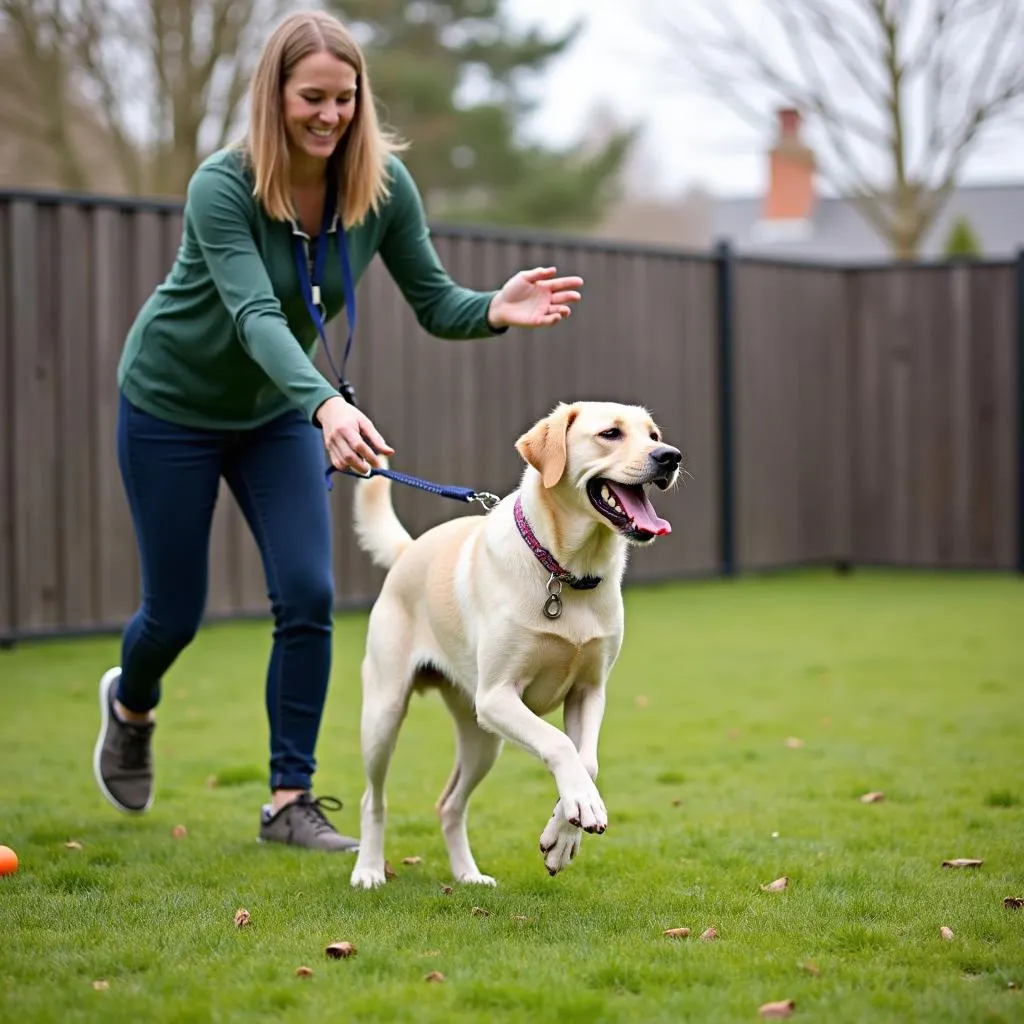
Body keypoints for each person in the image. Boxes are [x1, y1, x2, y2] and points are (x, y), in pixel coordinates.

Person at [92, 8, 584, 851]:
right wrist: (324, 403)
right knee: (173, 613)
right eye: (310, 97)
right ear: (273, 95)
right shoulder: (224, 185)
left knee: (309, 593)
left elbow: (434, 302)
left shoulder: (380, 187)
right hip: (171, 404)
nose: (329, 115)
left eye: (344, 99)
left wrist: (492, 309)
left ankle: (289, 801)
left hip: (274, 412)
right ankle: (131, 704)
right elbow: (252, 313)